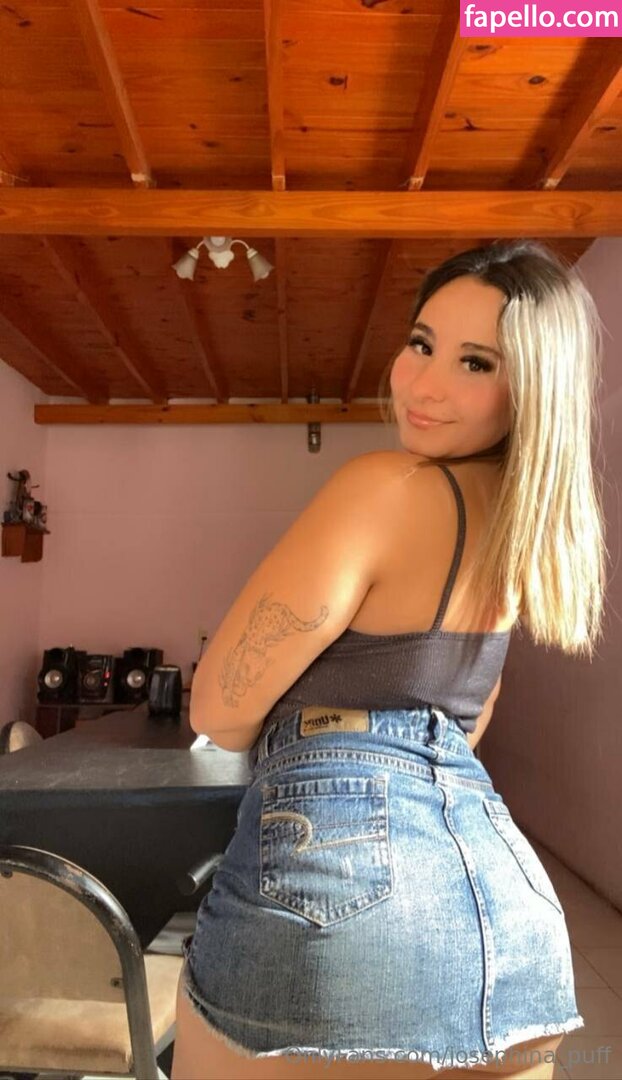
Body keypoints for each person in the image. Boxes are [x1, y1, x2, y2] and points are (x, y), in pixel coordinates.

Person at [171, 239, 607, 1080]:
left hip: (338, 900)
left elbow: (217, 709)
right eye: (421, 343)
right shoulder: (522, 532)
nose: (425, 384)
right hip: (512, 917)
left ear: (533, 386)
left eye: (476, 362)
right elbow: (465, 730)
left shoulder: (385, 488)